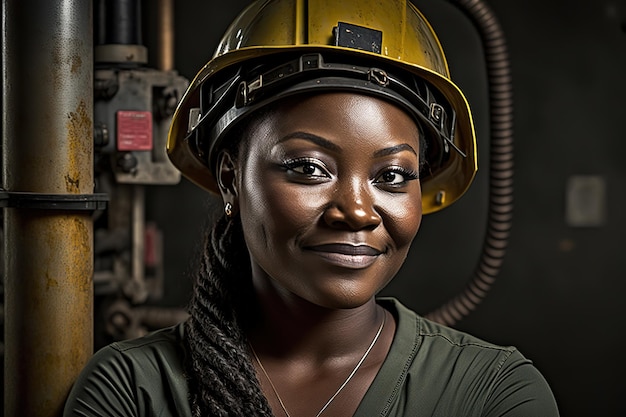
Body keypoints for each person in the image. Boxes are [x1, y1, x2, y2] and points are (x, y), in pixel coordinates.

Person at [64, 0, 560, 415]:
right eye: (309, 168)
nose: (357, 211)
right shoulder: (132, 391)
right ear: (231, 180)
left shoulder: (492, 394)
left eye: (391, 176)